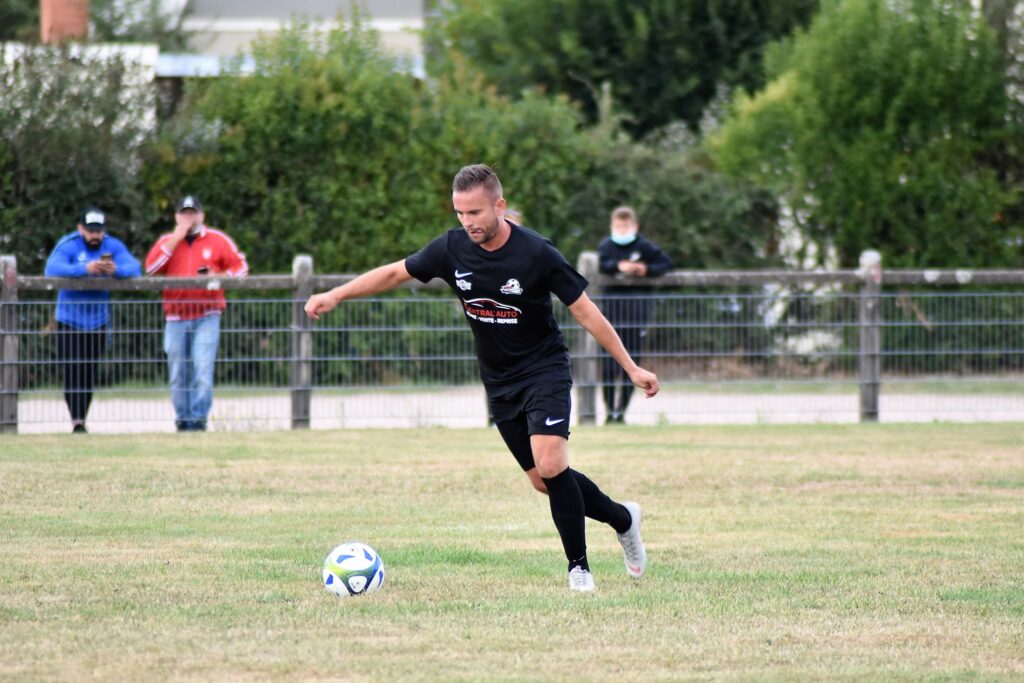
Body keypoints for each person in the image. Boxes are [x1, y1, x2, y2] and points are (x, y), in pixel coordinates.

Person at [305, 165, 659, 593]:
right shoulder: (451, 249)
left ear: (499, 206)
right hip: (499, 381)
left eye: (475, 212)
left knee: (551, 462)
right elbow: (395, 272)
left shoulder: (537, 254)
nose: (467, 222)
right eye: (459, 213)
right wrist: (335, 294)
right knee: (543, 481)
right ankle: (623, 518)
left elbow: (586, 312)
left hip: (544, 370)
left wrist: (630, 367)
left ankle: (578, 568)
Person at [144, 195, 248, 432]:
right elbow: (151, 269)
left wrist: (218, 277)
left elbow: (241, 267)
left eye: (193, 213)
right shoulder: (167, 241)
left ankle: (198, 421)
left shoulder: (218, 240)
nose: (189, 218)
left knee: (202, 369)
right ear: (176, 216)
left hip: (207, 316)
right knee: (178, 373)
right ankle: (183, 420)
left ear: (202, 215)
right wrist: (176, 239)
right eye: (184, 213)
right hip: (176, 318)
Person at [44, 207, 141, 433]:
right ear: (80, 229)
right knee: (71, 370)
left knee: (88, 370)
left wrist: (115, 270)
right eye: (90, 231)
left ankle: (82, 419)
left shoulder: (112, 245)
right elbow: (51, 267)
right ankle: (76, 420)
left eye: (98, 231)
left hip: (97, 320)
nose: (95, 236)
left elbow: (134, 268)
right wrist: (84, 268)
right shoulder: (68, 244)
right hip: (69, 319)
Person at [597, 206, 672, 424]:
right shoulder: (607, 246)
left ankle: (622, 413)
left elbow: (665, 264)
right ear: (612, 227)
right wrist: (618, 266)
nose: (622, 230)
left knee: (633, 365)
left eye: (626, 226)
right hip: (610, 316)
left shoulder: (643, 246)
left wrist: (643, 270)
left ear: (634, 227)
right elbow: (601, 265)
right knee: (609, 366)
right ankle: (610, 411)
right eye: (618, 226)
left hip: (636, 315)